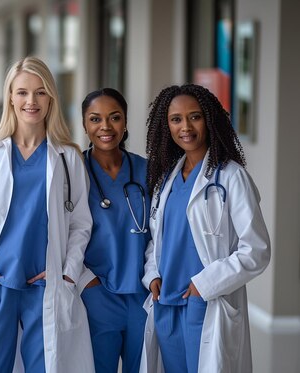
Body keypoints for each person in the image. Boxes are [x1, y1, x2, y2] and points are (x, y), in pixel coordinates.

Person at [0, 56, 94, 373]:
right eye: (23, 92)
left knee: (46, 366)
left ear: (51, 97)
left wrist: (67, 272)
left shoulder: (68, 157)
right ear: (10, 97)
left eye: (40, 92)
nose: (31, 101)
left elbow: (81, 223)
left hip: (46, 283)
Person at [141, 84, 270, 372]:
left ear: (209, 120)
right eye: (176, 119)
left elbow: (256, 250)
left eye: (194, 117)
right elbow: (158, 239)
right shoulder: (166, 180)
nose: (185, 126)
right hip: (166, 303)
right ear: (167, 126)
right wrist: (152, 275)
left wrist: (205, 284)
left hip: (205, 302)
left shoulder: (232, 177)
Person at [78, 88, 150, 373]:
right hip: (96, 296)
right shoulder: (74, 172)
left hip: (143, 294)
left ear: (126, 122)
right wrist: (87, 283)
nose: (105, 127)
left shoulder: (148, 170)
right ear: (85, 124)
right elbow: (59, 232)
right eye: (95, 119)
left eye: (115, 118)